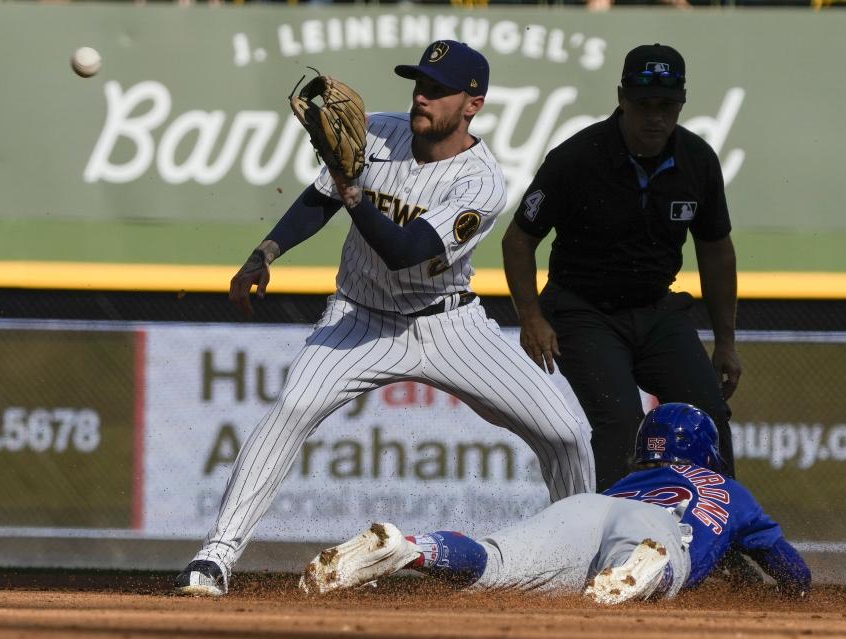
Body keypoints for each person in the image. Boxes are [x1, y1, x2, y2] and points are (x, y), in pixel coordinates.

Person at [174, 40, 595, 597]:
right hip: (361, 318)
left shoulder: (482, 183)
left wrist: (353, 194)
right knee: (291, 410)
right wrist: (267, 251)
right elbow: (319, 197)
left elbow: (405, 250)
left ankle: (582, 563)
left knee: (568, 433)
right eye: (419, 83)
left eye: (438, 89)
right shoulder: (379, 131)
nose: (422, 96)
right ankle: (214, 558)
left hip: (450, 328)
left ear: (473, 104)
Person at [501, 43, 741, 493]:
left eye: (666, 105)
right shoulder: (576, 158)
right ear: (621, 99)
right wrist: (531, 318)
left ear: (681, 104)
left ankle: (724, 539)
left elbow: (716, 251)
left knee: (708, 414)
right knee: (621, 423)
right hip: (582, 310)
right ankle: (613, 542)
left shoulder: (698, 160)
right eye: (644, 104)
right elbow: (518, 241)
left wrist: (726, 341)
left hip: (656, 309)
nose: (655, 117)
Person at [300, 403, 811, 604]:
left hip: (586, 506)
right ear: (707, 452)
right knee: (662, 563)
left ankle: (411, 548)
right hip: (657, 527)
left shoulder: (630, 479)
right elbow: (792, 570)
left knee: (493, 561)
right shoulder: (731, 492)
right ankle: (643, 567)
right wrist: (794, 592)